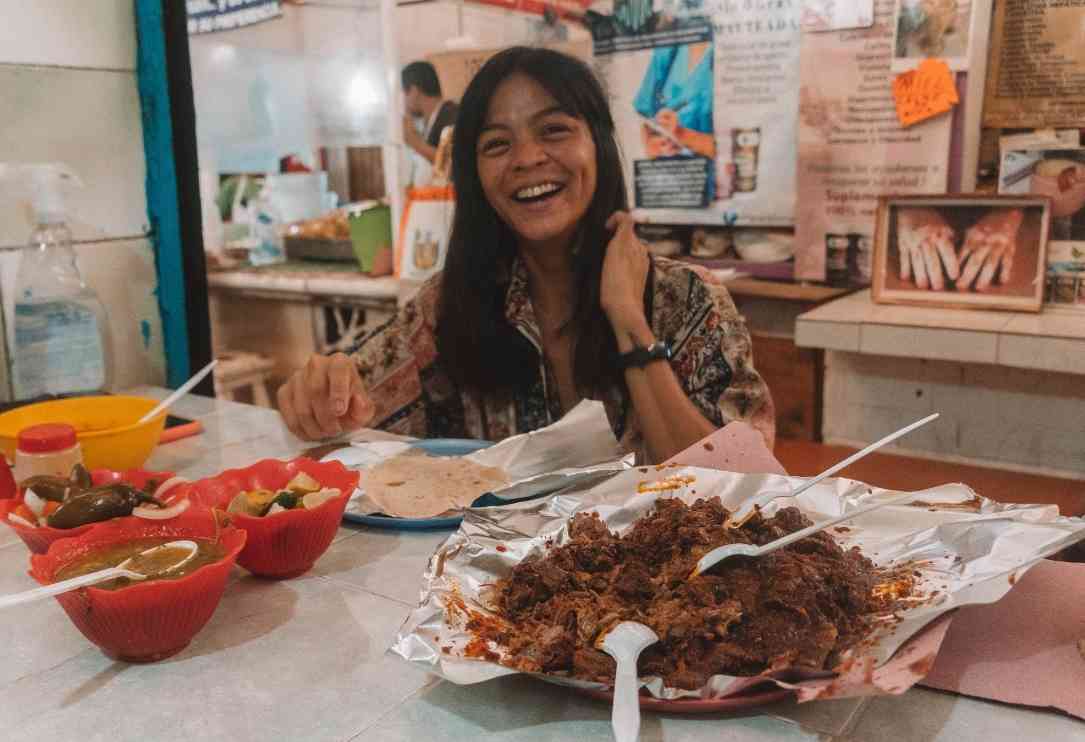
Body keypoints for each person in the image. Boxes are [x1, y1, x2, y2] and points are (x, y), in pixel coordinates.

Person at [277, 47, 774, 463]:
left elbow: (742, 492)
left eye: (554, 129)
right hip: (489, 577)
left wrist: (628, 320)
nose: (528, 158)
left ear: (598, 146)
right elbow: (346, 417)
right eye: (497, 143)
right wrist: (318, 396)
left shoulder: (688, 301)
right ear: (475, 177)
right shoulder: (449, 307)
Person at [401, 61, 459, 166]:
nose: (404, 102)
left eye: (405, 94)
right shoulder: (432, 120)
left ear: (414, 91)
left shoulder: (452, 115)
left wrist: (415, 143)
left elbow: (454, 163)